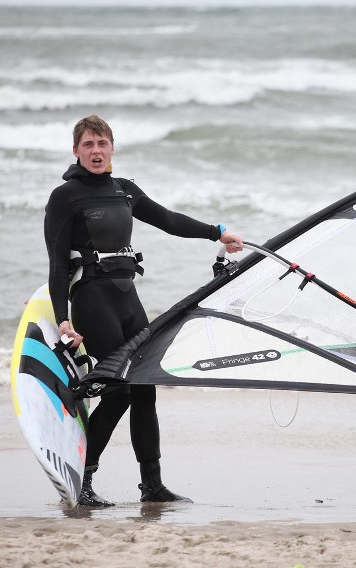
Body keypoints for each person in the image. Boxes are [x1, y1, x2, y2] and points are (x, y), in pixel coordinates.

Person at [44, 114, 243, 507]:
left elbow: (168, 220)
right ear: (76, 151)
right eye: (88, 145)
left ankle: (152, 485)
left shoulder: (125, 190)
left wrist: (215, 232)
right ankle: (82, 479)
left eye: (102, 144)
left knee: (144, 385)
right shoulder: (64, 198)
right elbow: (56, 264)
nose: (96, 151)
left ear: (112, 147)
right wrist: (63, 319)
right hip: (91, 297)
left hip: (127, 296)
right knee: (118, 391)